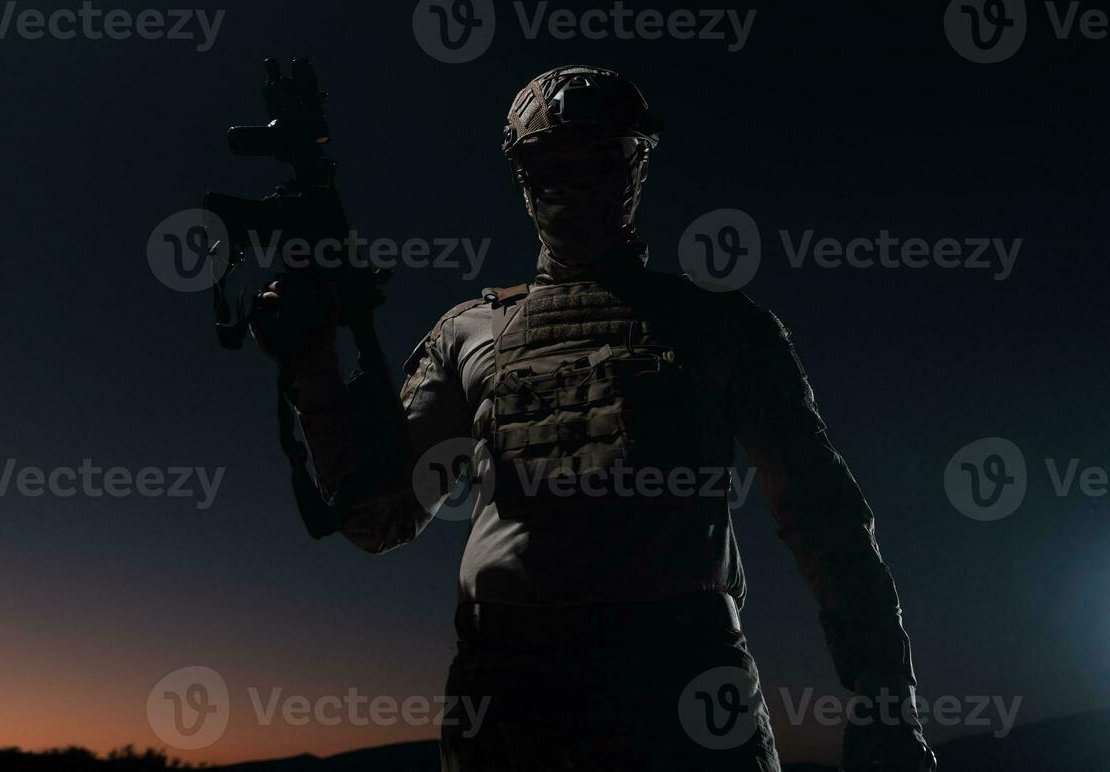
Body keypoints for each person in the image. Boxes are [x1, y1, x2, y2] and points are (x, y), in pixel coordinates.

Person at [251, 65, 936, 771]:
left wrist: (885, 697)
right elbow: (377, 517)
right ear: (523, 174)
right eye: (554, 164)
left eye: (597, 161)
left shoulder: (723, 328)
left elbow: (824, 516)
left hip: (681, 690)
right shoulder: (470, 333)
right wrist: (312, 367)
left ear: (633, 168)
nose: (575, 184)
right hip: (513, 697)